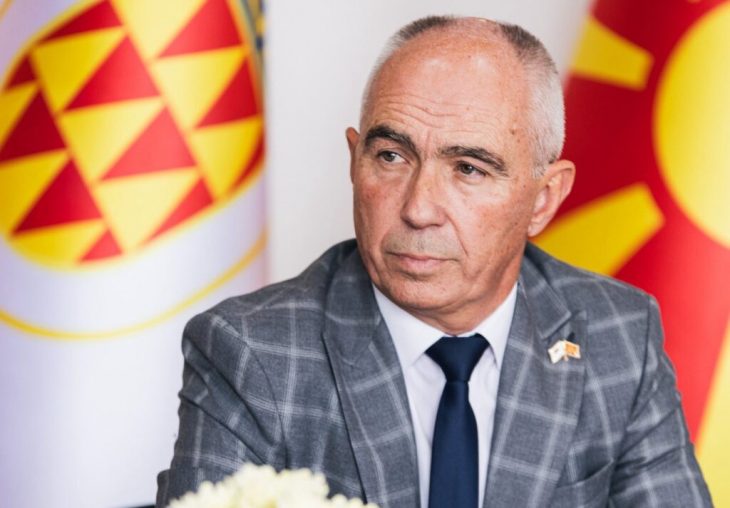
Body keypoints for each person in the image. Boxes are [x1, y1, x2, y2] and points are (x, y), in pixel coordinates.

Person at [156, 16, 712, 508]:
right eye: (391, 156)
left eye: (469, 168)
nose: (418, 209)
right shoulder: (252, 350)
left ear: (544, 199)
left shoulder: (618, 334)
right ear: (354, 161)